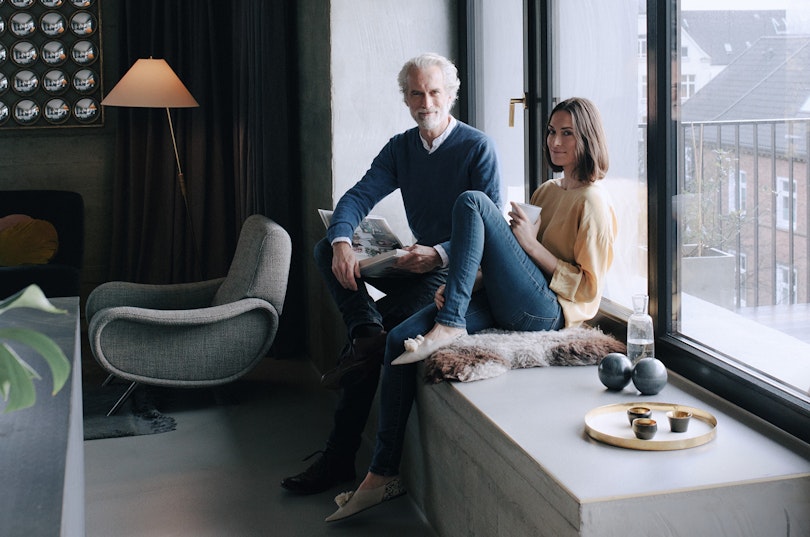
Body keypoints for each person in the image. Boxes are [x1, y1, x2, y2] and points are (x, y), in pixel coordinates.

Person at [325, 96, 617, 522]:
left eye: (567, 133)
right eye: (552, 132)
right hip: (514, 298)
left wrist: (531, 244)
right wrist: (461, 289)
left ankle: (451, 322)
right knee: (397, 339)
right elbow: (506, 267)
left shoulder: (593, 202)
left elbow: (588, 291)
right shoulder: (547, 192)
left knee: (471, 202)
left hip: (549, 312)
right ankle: (380, 475)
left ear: (587, 138)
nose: (555, 141)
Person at [280, 53, 502, 495]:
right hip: (411, 263)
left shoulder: (478, 147)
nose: (426, 101)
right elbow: (359, 195)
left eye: (434, 91)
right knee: (326, 248)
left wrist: (438, 254)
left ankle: (340, 457)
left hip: (454, 276)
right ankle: (364, 327)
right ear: (405, 98)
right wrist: (343, 240)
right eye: (416, 93)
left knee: (376, 347)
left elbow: (492, 233)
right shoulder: (401, 147)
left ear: (450, 94)